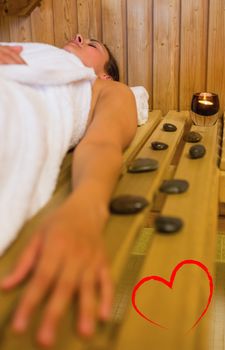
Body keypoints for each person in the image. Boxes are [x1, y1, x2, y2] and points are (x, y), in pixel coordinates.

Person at [0, 35, 137, 347]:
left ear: (105, 74)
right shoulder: (28, 49)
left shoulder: (104, 88)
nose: (79, 37)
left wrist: (86, 210)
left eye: (93, 45)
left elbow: (103, 141)